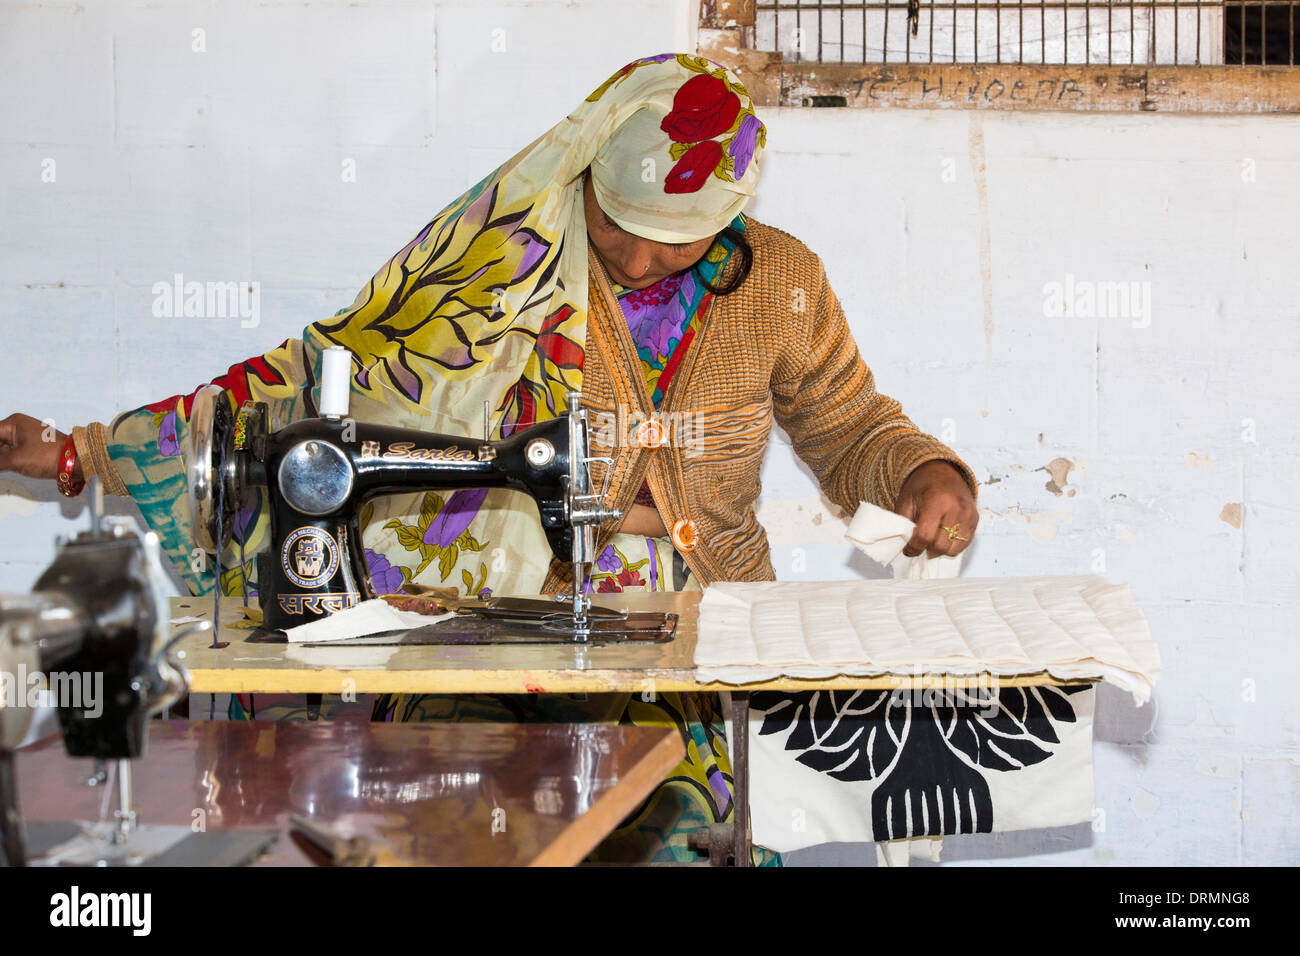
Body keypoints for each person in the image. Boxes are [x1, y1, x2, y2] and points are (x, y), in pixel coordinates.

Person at [0, 53, 979, 864]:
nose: (638, 264)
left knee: (676, 838)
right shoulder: (494, 270)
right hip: (509, 636)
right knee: (468, 827)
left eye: (674, 246)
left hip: (698, 645)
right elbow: (306, 390)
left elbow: (848, 422)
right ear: (584, 169)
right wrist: (83, 450)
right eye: (615, 232)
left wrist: (920, 474)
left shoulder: (784, 284)